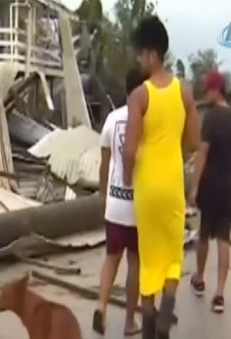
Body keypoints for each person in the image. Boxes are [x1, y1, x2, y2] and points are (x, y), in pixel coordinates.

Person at [122, 16, 201, 339]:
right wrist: (173, 154)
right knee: (171, 254)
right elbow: (194, 140)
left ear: (152, 53)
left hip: (147, 186)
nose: (139, 60)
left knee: (147, 257)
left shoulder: (139, 96)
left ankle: (150, 326)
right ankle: (167, 311)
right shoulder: (184, 91)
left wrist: (127, 179)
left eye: (140, 54)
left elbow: (128, 151)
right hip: (172, 183)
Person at [92, 68, 146, 337]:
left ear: (126, 91)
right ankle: (128, 322)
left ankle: (101, 307)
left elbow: (104, 165)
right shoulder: (148, 122)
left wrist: (104, 196)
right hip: (137, 207)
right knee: (135, 262)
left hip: (114, 203)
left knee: (111, 259)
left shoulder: (112, 120)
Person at [189, 71, 231, 314]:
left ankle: (199, 279)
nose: (205, 94)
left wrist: (195, 185)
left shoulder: (210, 119)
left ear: (216, 90)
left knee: (203, 235)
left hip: (210, 185)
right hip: (228, 186)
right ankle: (219, 294)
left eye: (207, 89)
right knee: (223, 238)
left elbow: (202, 153)